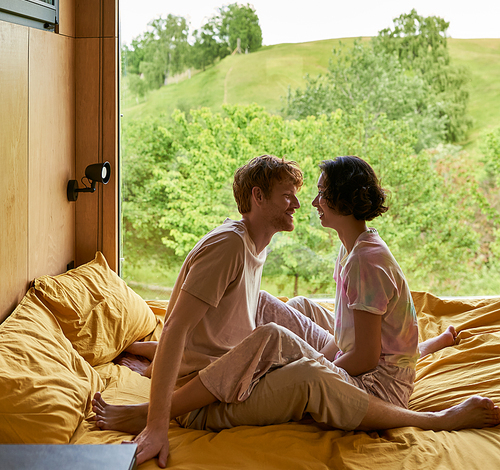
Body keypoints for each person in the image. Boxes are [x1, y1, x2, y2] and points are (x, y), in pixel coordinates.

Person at [92, 155, 499, 468]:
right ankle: (166, 396)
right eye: (290, 195)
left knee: (277, 335)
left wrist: (302, 358)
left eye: (317, 193)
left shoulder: (351, 256)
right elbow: (182, 326)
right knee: (279, 313)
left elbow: (373, 351)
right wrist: (157, 401)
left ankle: (437, 418)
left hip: (376, 381)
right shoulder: (239, 246)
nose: (305, 203)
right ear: (258, 197)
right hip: (220, 384)